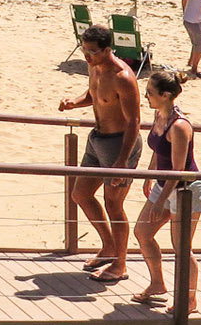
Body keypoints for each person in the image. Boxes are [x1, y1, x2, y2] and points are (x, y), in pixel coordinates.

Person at [58, 25, 141, 284]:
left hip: (120, 145)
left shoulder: (123, 77)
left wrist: (122, 161)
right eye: (84, 50)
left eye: (92, 51)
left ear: (107, 49)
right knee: (80, 194)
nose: (87, 56)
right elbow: (95, 96)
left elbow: (134, 122)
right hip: (97, 140)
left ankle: (121, 264)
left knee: (114, 204)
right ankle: (108, 248)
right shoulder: (93, 67)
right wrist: (75, 101)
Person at [131, 70, 201, 311]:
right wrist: (150, 176)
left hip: (185, 189)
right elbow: (158, 149)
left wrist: (161, 200)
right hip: (163, 184)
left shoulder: (180, 126)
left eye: (150, 93)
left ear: (165, 94)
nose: (146, 96)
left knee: (182, 247)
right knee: (142, 232)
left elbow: (178, 169)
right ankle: (157, 283)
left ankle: (189, 299)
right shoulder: (159, 114)